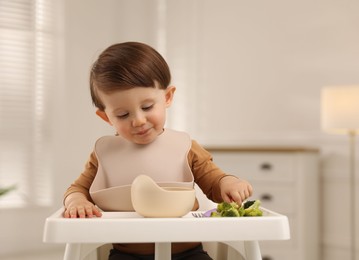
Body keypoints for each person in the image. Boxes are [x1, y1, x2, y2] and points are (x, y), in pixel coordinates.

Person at [63, 41, 253, 260]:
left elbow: (213, 180)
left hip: (187, 253)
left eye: (147, 107)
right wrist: (76, 202)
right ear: (106, 117)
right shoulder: (104, 154)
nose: (138, 120)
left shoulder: (185, 146)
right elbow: (77, 189)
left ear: (167, 97)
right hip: (127, 254)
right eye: (123, 115)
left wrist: (228, 183)